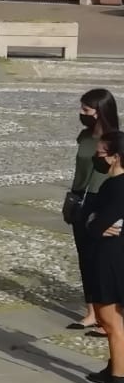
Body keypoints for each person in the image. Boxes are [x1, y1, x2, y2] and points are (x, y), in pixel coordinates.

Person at [67, 89, 118, 336]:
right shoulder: (84, 137)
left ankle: (111, 316)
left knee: (103, 261)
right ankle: (92, 312)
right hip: (81, 198)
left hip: (102, 199)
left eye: (86, 110)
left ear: (100, 112)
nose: (81, 113)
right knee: (85, 257)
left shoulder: (114, 140)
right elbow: (80, 169)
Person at [81, 130, 124, 383]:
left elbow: (95, 222)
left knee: (110, 320)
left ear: (115, 157)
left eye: (101, 154)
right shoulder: (113, 184)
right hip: (110, 254)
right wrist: (91, 219)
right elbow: (89, 216)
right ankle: (115, 366)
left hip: (111, 257)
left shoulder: (117, 187)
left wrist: (91, 221)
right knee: (112, 317)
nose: (97, 158)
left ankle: (119, 381)